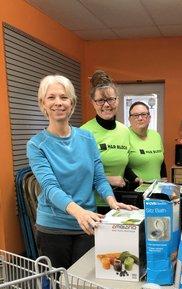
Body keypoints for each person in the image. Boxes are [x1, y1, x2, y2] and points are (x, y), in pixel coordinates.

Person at [27, 75, 135, 269]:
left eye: (64, 97)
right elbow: (50, 188)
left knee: (84, 288)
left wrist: (112, 202)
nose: (58, 103)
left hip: (87, 225)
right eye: (51, 97)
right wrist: (79, 213)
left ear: (72, 102)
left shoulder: (87, 138)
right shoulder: (36, 145)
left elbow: (99, 178)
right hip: (54, 228)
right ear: (43, 104)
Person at [81, 70, 135, 211]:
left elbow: (123, 162)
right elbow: (78, 174)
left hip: (119, 203)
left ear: (117, 100)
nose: (106, 105)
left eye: (111, 99)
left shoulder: (124, 131)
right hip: (92, 205)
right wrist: (108, 179)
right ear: (93, 102)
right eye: (100, 100)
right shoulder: (84, 133)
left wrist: (135, 178)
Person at [127, 101, 167, 182]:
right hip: (135, 189)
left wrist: (164, 178)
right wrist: (135, 179)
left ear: (149, 118)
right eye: (135, 115)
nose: (140, 118)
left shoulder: (156, 135)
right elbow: (122, 165)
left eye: (143, 114)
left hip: (156, 188)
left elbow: (162, 160)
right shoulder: (124, 135)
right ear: (129, 119)